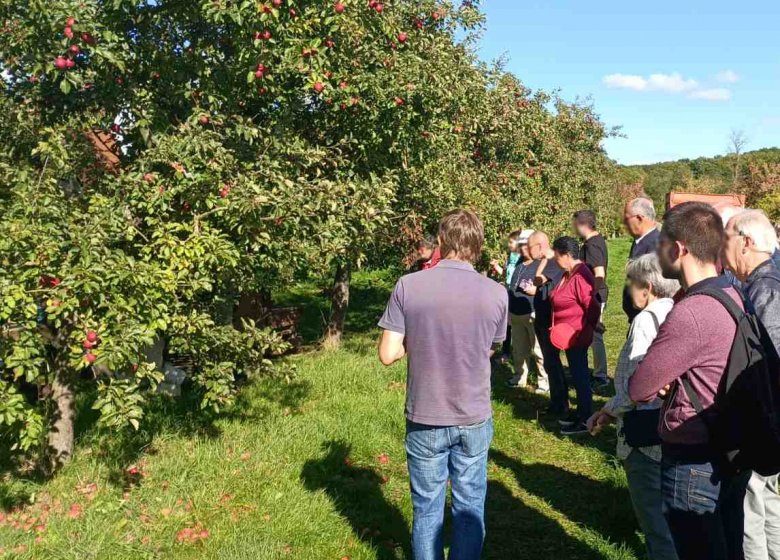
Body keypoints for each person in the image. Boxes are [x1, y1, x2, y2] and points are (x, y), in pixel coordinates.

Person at [377, 209, 507, 560]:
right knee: (469, 508)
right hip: (473, 413)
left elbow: (388, 354)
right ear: (478, 244)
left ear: (442, 240)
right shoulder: (496, 293)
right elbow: (491, 347)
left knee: (427, 510)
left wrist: (418, 339)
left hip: (426, 415)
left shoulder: (409, 285)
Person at [629, 201, 745, 560]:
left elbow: (639, 387)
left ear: (678, 249)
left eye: (661, 243)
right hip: (730, 449)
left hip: (693, 461)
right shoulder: (732, 293)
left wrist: (669, 380)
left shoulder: (691, 311)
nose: (657, 252)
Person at [587, 254, 680, 560]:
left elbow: (637, 384)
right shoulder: (677, 311)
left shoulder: (645, 321)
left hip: (644, 433)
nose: (628, 290)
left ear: (648, 287)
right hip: (671, 427)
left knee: (653, 518)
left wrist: (608, 410)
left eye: (632, 283)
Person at [722, 209, 780, 560]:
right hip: (766, 421)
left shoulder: (765, 290)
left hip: (763, 422)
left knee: (751, 507)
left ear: (745, 243)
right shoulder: (758, 284)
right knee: (767, 500)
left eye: (726, 236)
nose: (721, 243)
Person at [548, 236, 600, 436]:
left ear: (568, 255)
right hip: (568, 336)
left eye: (557, 256)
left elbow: (592, 306)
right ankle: (579, 414)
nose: (555, 260)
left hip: (577, 336)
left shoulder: (580, 276)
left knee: (580, 377)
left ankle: (585, 418)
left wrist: (587, 328)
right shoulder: (568, 273)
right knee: (577, 376)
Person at [529, 231, 569, 417]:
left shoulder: (553, 263)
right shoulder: (550, 261)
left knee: (552, 363)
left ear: (540, 246)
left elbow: (538, 279)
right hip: (542, 319)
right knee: (550, 363)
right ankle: (557, 401)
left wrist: (545, 257)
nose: (529, 252)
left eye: (531, 247)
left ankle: (560, 404)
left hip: (549, 321)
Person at [506, 230, 549, 393]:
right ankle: (520, 377)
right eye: (521, 246)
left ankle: (544, 382)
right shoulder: (518, 265)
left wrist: (536, 290)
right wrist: (509, 311)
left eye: (526, 246)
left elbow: (546, 287)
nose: (523, 249)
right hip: (516, 314)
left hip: (532, 312)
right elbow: (511, 288)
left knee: (538, 350)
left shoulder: (540, 264)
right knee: (519, 350)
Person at [573, 209, 610, 391]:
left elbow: (599, 274)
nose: (574, 229)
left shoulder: (592, 245)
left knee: (596, 336)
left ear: (582, 225)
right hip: (594, 295)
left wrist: (591, 297)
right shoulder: (595, 241)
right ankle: (596, 372)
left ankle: (601, 376)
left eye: (574, 225)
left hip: (594, 296)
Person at [622, 197, 661, 322]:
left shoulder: (655, 245)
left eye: (626, 219)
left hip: (647, 320)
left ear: (639, 218)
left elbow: (656, 288)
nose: (624, 223)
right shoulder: (640, 241)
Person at [492, 231, 523, 363]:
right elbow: (506, 274)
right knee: (507, 324)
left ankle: (518, 352)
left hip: (516, 294)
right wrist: (496, 266)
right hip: (508, 292)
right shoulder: (511, 256)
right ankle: (506, 353)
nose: (508, 244)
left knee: (513, 324)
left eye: (511, 242)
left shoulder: (522, 258)